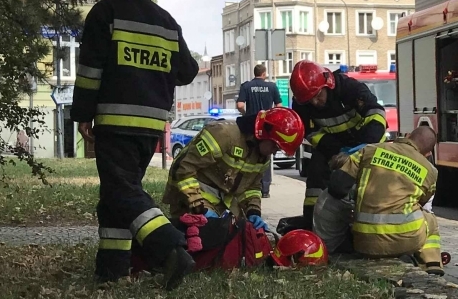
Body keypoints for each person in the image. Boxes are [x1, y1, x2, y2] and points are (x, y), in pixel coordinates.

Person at [72, 0, 200, 290]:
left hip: (114, 121)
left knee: (122, 191)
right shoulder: (167, 22)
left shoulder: (105, 13)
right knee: (116, 196)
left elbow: (90, 71)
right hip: (150, 127)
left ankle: (170, 247)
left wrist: (83, 114)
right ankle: (112, 268)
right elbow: (188, 71)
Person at [163, 107, 304, 245]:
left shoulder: (262, 156)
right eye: (275, 146)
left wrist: (253, 212)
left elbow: (252, 187)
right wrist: (200, 208)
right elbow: (184, 170)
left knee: (242, 237)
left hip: (222, 200)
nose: (273, 152)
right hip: (190, 194)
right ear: (263, 134)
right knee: (208, 238)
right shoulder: (223, 134)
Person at [327, 125, 444, 273]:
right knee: (430, 219)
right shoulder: (431, 171)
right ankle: (431, 264)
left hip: (364, 241)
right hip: (406, 241)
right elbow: (421, 202)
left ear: (407, 136)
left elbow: (337, 186)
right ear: (427, 154)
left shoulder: (369, 150)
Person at [289, 60, 388, 228]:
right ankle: (311, 225)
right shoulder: (301, 103)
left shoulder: (349, 88)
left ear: (327, 85)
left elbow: (376, 115)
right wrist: (336, 152)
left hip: (368, 143)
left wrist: (363, 147)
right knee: (316, 172)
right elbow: (311, 133)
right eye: (309, 100)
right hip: (334, 147)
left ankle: (375, 223)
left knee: (374, 184)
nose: (314, 102)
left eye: (317, 95)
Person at [236, 64, 283, 198]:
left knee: (249, 154)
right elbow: (279, 106)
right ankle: (265, 189)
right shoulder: (272, 87)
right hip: (267, 126)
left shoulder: (246, 86)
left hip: (252, 124)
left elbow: (240, 105)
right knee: (266, 155)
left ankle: (248, 186)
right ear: (264, 74)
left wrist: (246, 114)